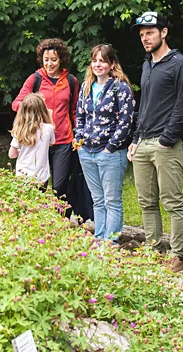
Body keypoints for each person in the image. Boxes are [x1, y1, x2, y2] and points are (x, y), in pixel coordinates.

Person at [127, 11, 183, 272]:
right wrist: (135, 138)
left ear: (163, 33)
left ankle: (177, 256)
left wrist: (167, 139)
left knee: (173, 202)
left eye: (150, 32)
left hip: (166, 144)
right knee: (146, 202)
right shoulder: (147, 64)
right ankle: (153, 251)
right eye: (142, 34)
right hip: (143, 143)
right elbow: (144, 105)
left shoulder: (180, 63)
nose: (145, 38)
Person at [12, 38, 91, 219]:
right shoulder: (35, 79)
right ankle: (36, 219)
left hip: (63, 139)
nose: (49, 63)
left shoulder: (70, 81)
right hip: (37, 140)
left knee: (60, 185)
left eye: (53, 59)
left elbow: (75, 110)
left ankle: (61, 220)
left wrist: (78, 135)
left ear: (61, 59)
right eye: (46, 59)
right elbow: (17, 103)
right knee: (37, 184)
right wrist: (34, 109)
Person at [74, 44, 135, 241]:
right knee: (97, 200)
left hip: (110, 152)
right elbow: (80, 117)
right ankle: (99, 239)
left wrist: (111, 147)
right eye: (94, 61)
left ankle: (111, 241)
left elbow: (126, 121)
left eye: (102, 61)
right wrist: (79, 142)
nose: (98, 65)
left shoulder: (120, 87)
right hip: (86, 151)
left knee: (112, 200)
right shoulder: (86, 86)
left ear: (112, 64)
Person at [8, 93, 55, 187]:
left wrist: (20, 150)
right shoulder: (49, 128)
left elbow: (12, 155)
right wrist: (50, 117)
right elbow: (51, 143)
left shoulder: (20, 130)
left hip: (23, 175)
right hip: (41, 176)